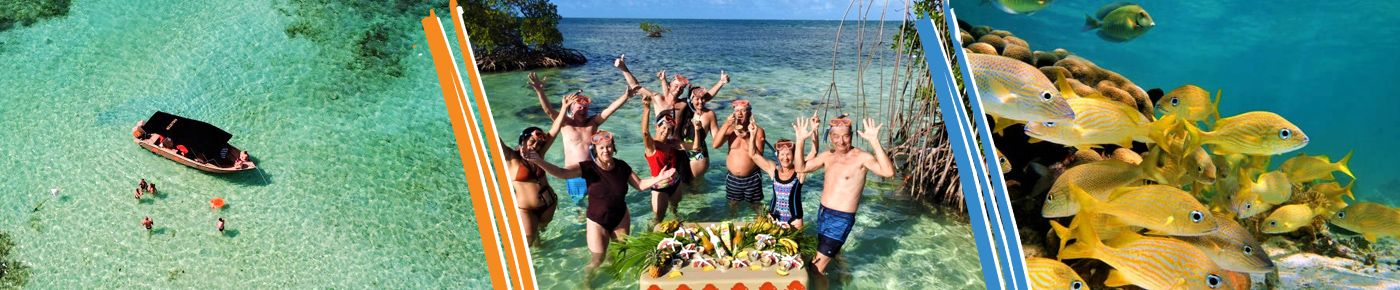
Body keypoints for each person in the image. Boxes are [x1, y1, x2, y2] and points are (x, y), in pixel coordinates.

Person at [524, 131, 676, 276]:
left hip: (620, 218)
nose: (606, 150)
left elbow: (641, 185)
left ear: (614, 147)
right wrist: (538, 161)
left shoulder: (622, 167)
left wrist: (659, 178)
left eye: (609, 146)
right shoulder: (588, 168)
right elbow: (561, 173)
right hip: (597, 221)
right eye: (601, 147)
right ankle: (587, 283)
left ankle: (613, 280)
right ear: (595, 150)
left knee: (618, 254)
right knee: (597, 260)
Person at [792, 116, 895, 274]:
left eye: (845, 136)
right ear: (831, 138)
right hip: (823, 213)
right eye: (836, 137)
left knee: (815, 268)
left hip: (841, 218)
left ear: (852, 136)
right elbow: (800, 168)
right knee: (823, 252)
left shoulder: (862, 158)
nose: (841, 141)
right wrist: (800, 141)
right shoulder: (827, 156)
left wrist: (874, 141)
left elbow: (888, 172)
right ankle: (841, 266)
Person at [531, 73, 640, 204]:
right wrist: (540, 90)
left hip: (593, 171)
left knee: (599, 203)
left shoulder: (593, 122)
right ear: (572, 109)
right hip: (572, 174)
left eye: (585, 108)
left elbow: (610, 109)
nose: (583, 110)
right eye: (579, 107)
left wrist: (625, 96)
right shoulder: (564, 123)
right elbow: (548, 110)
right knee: (579, 208)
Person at [747, 113, 820, 229]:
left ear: (794, 155)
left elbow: (814, 152)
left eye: (788, 154)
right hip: (773, 217)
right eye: (782, 154)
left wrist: (814, 129)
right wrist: (752, 135)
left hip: (794, 220)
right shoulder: (773, 169)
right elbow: (753, 154)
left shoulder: (800, 171)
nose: (785, 158)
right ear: (778, 155)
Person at [499, 127, 560, 247]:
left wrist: (564, 108)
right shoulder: (511, 158)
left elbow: (554, 130)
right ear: (523, 140)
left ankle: (540, 255)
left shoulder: (539, 155)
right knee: (527, 241)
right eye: (532, 141)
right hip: (527, 210)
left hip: (548, 204)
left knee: (539, 233)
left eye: (539, 144)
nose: (535, 146)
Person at [641, 104, 699, 225]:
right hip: (660, 188)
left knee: (674, 209)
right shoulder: (652, 146)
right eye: (663, 128)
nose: (666, 132)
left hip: (676, 183)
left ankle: (676, 225)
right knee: (658, 219)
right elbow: (645, 133)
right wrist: (647, 109)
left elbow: (695, 147)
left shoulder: (672, 143)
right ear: (656, 127)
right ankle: (650, 237)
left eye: (669, 129)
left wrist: (697, 129)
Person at [712, 99, 766, 217]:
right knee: (733, 204)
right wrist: (726, 124)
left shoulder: (758, 131)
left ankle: (762, 223)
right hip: (733, 178)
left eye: (744, 111)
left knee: (755, 204)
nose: (740, 114)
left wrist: (747, 137)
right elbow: (715, 145)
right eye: (737, 111)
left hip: (752, 178)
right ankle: (732, 219)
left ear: (750, 113)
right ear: (734, 114)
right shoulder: (730, 129)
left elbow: (759, 157)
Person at [677, 80, 727, 180]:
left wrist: (728, 126)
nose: (700, 102)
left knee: (696, 189)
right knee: (684, 189)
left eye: (703, 98)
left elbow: (717, 141)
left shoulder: (709, 114)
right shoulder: (686, 111)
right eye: (697, 99)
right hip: (682, 154)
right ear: (691, 100)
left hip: (698, 157)